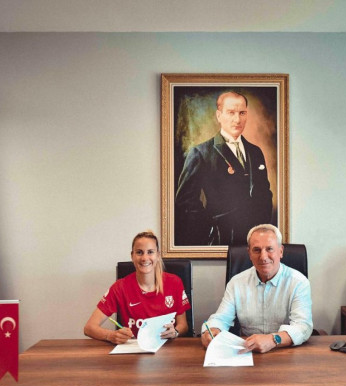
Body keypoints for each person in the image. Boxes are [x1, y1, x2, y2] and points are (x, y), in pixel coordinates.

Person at [175, 91, 273, 246]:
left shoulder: (255, 152)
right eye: (231, 113)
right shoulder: (201, 153)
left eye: (242, 113)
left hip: (254, 243)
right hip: (222, 240)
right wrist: (211, 226)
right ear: (219, 116)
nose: (237, 119)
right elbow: (185, 202)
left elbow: (265, 193)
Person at [201, 224, 313, 353]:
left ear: (281, 251)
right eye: (257, 250)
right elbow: (221, 318)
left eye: (269, 249)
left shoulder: (298, 282)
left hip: (285, 352)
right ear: (249, 253)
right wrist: (212, 330)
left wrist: (272, 339)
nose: (263, 257)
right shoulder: (236, 283)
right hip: (248, 352)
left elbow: (303, 327)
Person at [84, 231, 190, 344]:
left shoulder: (174, 282)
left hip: (166, 347)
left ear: (158, 255)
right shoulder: (120, 287)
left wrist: (175, 332)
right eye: (139, 252)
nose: (145, 258)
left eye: (150, 252)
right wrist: (110, 335)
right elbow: (89, 328)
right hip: (133, 348)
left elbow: (183, 325)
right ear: (132, 256)